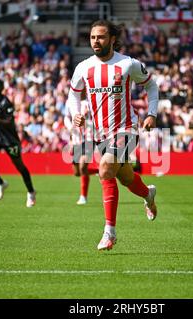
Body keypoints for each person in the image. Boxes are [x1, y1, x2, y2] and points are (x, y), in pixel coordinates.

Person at [67, 20, 159, 251]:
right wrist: (76, 114)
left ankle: (110, 232)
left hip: (126, 129)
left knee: (105, 168)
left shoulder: (128, 64)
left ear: (112, 39)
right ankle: (148, 194)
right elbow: (73, 95)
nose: (96, 41)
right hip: (101, 134)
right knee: (126, 178)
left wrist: (152, 114)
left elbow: (152, 86)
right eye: (92, 37)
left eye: (101, 37)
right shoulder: (83, 67)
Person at [0, 78, 36, 207]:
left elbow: (9, 122)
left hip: (9, 139)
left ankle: (31, 192)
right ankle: (0, 183)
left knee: (19, 166)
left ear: (2, 88)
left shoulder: (6, 103)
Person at [65, 90, 99, 205]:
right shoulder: (70, 102)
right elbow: (66, 118)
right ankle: (101, 171)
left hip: (89, 137)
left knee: (83, 164)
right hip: (76, 139)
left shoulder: (91, 100)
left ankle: (83, 197)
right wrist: (70, 133)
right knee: (77, 172)